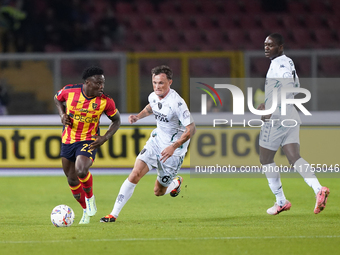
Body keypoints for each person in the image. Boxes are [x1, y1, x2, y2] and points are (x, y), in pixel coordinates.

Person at [100, 65, 196, 223]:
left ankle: (175, 183)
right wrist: (138, 116)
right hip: (156, 142)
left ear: (170, 82)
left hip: (173, 151)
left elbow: (191, 129)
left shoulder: (177, 103)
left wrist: (174, 146)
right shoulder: (153, 96)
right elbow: (151, 107)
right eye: (154, 82)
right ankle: (113, 214)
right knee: (135, 174)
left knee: (158, 191)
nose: (157, 86)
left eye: (161, 83)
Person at [258, 33, 329, 215]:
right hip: (290, 114)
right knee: (294, 157)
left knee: (265, 159)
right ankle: (318, 189)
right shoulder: (288, 62)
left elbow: (288, 86)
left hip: (278, 117)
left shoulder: (279, 64)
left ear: (280, 47)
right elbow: (295, 87)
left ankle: (281, 201)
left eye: (271, 45)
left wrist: (271, 108)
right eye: (265, 44)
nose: (266, 47)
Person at [54, 66, 121, 224]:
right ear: (87, 82)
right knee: (72, 180)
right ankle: (85, 210)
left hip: (88, 139)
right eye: (98, 83)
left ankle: (90, 198)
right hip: (68, 140)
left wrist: (104, 138)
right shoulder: (70, 91)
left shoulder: (105, 101)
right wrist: (62, 114)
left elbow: (117, 121)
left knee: (81, 170)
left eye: (103, 83)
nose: (101, 86)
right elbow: (57, 98)